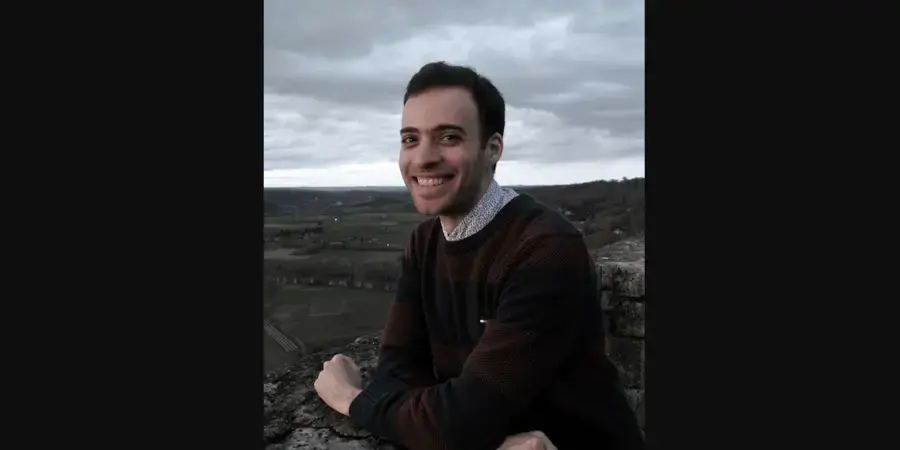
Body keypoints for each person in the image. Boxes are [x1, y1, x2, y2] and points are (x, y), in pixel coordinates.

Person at [314, 61, 645, 450]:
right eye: (410, 139)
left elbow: (463, 417)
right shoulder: (425, 242)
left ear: (493, 149)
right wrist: (466, 431)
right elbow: (398, 371)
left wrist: (349, 398)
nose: (423, 158)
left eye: (449, 137)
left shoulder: (547, 247)